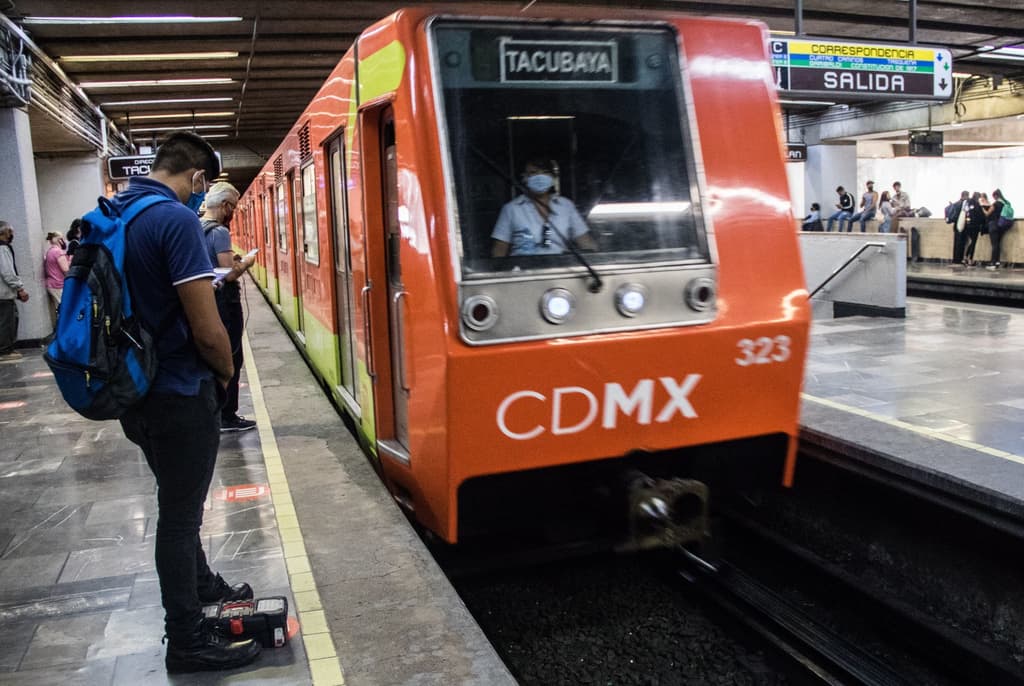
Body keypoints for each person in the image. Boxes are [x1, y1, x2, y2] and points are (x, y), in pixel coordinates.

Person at [112, 131, 261, 673]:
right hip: (177, 388)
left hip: (136, 391)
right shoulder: (174, 220)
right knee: (179, 517)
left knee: (175, 502)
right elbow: (207, 326)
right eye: (205, 186)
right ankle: (188, 638)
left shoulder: (117, 211)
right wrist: (222, 377)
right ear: (199, 178)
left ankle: (204, 586)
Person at [201, 181, 258, 432]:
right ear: (225, 206)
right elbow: (228, 273)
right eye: (233, 207)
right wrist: (246, 261)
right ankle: (228, 415)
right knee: (232, 356)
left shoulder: (197, 224)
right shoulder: (220, 232)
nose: (233, 212)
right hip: (226, 302)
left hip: (208, 298)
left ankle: (213, 412)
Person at [491, 159, 597, 257]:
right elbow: (499, 251)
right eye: (533, 173)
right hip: (523, 272)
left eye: (545, 172)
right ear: (524, 178)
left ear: (552, 178)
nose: (540, 177)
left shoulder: (566, 206)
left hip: (560, 269)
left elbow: (586, 243)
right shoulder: (511, 209)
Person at [0, 221, 29, 355]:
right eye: (10, 231)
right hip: (3, 293)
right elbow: (7, 272)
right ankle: (5, 351)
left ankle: (5, 349)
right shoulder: (2, 248)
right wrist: (20, 288)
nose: (12, 234)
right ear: (3, 233)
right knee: (7, 323)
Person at [43, 231, 70, 327]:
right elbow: (66, 270)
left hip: (51, 284)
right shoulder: (58, 252)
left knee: (59, 308)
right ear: (60, 240)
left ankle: (61, 329)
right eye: (63, 239)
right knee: (66, 308)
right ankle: (65, 330)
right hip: (58, 284)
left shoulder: (50, 251)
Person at [984, 188, 1011, 270]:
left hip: (994, 225)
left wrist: (982, 208)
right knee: (997, 244)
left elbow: (987, 213)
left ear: (996, 196)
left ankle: (993, 263)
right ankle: (997, 262)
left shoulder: (995, 204)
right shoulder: (1006, 203)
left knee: (994, 244)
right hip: (1002, 225)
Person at [963, 192, 986, 267]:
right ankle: (970, 259)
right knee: (974, 242)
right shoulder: (977, 204)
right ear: (977, 197)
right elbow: (980, 215)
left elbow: (966, 212)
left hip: (968, 225)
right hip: (975, 225)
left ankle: (966, 257)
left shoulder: (968, 203)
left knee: (972, 241)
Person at [951, 190, 971, 265]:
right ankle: (958, 259)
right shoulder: (964, 204)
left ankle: (956, 259)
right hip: (962, 226)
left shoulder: (956, 204)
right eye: (967, 196)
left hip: (956, 226)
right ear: (964, 196)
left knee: (957, 243)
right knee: (961, 243)